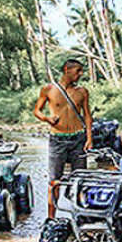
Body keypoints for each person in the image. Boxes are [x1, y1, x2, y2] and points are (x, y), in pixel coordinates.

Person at [31, 58, 93, 219]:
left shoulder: (82, 92)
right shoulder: (48, 90)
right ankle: (51, 219)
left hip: (78, 139)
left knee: (80, 179)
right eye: (78, 71)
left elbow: (87, 116)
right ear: (67, 69)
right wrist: (47, 119)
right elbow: (37, 111)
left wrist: (89, 138)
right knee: (54, 181)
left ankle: (80, 217)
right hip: (57, 140)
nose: (80, 74)